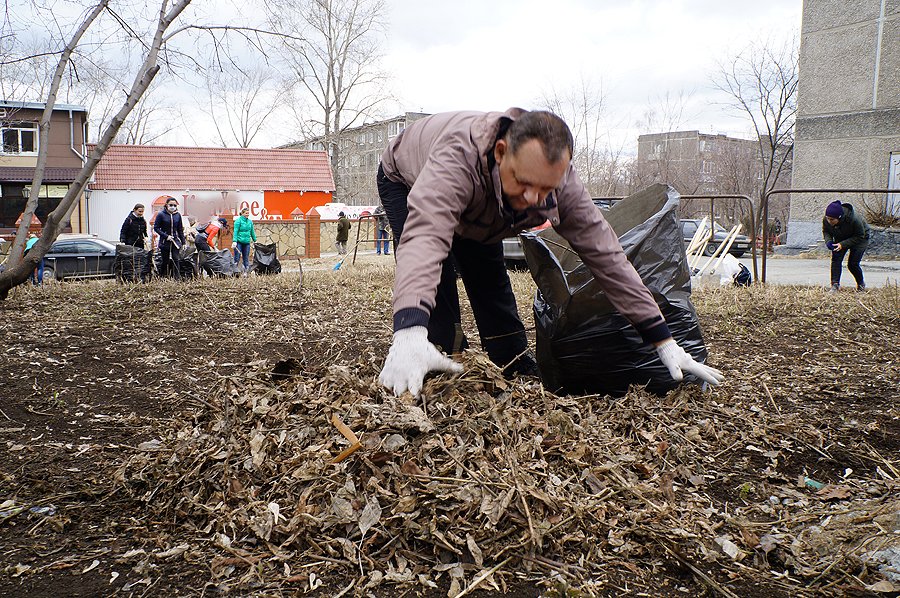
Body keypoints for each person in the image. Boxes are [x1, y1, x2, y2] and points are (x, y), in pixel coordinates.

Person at [376, 109, 724, 397]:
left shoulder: (562, 187)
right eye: (524, 182)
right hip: (405, 177)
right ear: (500, 154)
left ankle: (511, 360)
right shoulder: (456, 161)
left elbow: (609, 260)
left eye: (546, 189)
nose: (532, 198)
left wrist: (663, 341)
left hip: (483, 203)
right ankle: (431, 351)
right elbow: (424, 240)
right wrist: (407, 331)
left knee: (487, 272)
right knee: (439, 277)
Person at [823, 200, 870, 292]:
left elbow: (860, 235)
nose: (829, 221)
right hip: (841, 236)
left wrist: (843, 244)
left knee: (852, 264)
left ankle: (861, 284)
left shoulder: (854, 219)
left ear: (839, 217)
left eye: (832, 219)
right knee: (836, 259)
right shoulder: (827, 219)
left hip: (860, 238)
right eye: (828, 218)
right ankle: (835, 285)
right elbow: (826, 231)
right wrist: (828, 241)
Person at [153, 196, 185, 278]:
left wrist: (183, 242)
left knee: (176, 259)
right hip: (165, 241)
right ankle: (163, 277)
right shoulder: (161, 215)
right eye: (171, 205)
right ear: (166, 205)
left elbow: (180, 229)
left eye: (175, 205)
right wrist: (166, 236)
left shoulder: (178, 215)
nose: (173, 207)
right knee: (165, 260)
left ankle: (177, 278)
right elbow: (156, 228)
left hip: (175, 240)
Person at [232, 207, 257, 272]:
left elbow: (252, 231)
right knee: (237, 257)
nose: (247, 214)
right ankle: (235, 271)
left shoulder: (250, 222)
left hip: (246, 242)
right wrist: (234, 241)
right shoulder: (238, 221)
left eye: (248, 213)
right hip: (239, 242)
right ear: (242, 213)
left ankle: (246, 271)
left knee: (246, 257)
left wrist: (255, 240)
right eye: (246, 213)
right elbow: (235, 231)